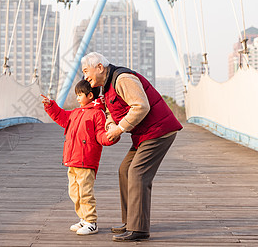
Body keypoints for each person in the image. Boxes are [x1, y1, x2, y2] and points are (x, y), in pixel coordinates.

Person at [81, 52, 183, 242]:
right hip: (143, 134)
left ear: (100, 68)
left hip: (159, 131)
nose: (85, 76)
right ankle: (130, 222)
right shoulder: (108, 86)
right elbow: (112, 112)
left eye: (87, 71)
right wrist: (111, 125)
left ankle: (139, 229)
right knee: (125, 171)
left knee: (138, 173)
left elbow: (140, 106)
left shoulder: (122, 79)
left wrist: (120, 129)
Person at [42, 79, 117, 235]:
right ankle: (83, 218)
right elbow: (62, 117)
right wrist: (51, 106)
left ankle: (91, 221)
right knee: (74, 192)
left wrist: (111, 137)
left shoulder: (97, 114)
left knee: (85, 192)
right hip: (72, 160)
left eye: (79, 95)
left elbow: (100, 135)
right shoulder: (76, 113)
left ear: (90, 95)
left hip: (86, 161)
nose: (77, 98)